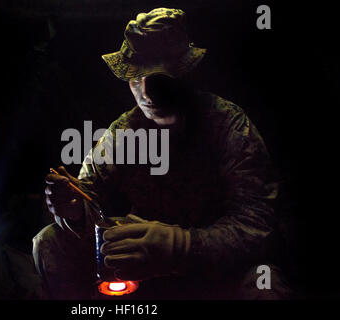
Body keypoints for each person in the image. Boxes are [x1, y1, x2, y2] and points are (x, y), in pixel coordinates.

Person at [33, 8, 292, 299]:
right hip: (146, 275)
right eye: (135, 78)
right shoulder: (123, 133)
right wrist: (74, 212)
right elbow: (88, 192)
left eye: (158, 78)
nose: (147, 92)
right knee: (50, 241)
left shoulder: (229, 126)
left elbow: (258, 225)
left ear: (185, 75)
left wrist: (181, 246)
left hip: (218, 272)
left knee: (264, 284)